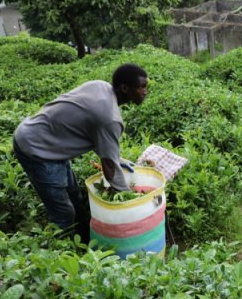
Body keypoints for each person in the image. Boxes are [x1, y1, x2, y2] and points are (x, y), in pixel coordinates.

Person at [13, 63, 149, 239]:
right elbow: (110, 172)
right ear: (124, 88)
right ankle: (65, 254)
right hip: (37, 149)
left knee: (76, 198)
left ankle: (84, 237)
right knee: (63, 213)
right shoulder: (109, 119)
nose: (145, 91)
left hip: (46, 137)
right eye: (141, 87)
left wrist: (117, 158)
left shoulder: (99, 85)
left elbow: (88, 127)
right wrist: (129, 200)